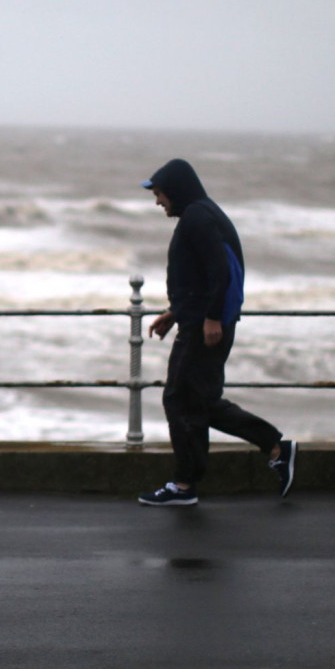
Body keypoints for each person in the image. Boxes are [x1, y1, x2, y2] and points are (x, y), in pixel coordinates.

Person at [135, 158, 295, 505]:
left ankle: (185, 485)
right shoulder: (201, 215)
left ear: (175, 190)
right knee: (198, 402)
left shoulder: (198, 218)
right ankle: (273, 447)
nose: (158, 201)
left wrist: (210, 319)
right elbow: (200, 278)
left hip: (205, 328)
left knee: (179, 399)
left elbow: (220, 272)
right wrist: (175, 312)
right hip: (200, 321)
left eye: (160, 194)